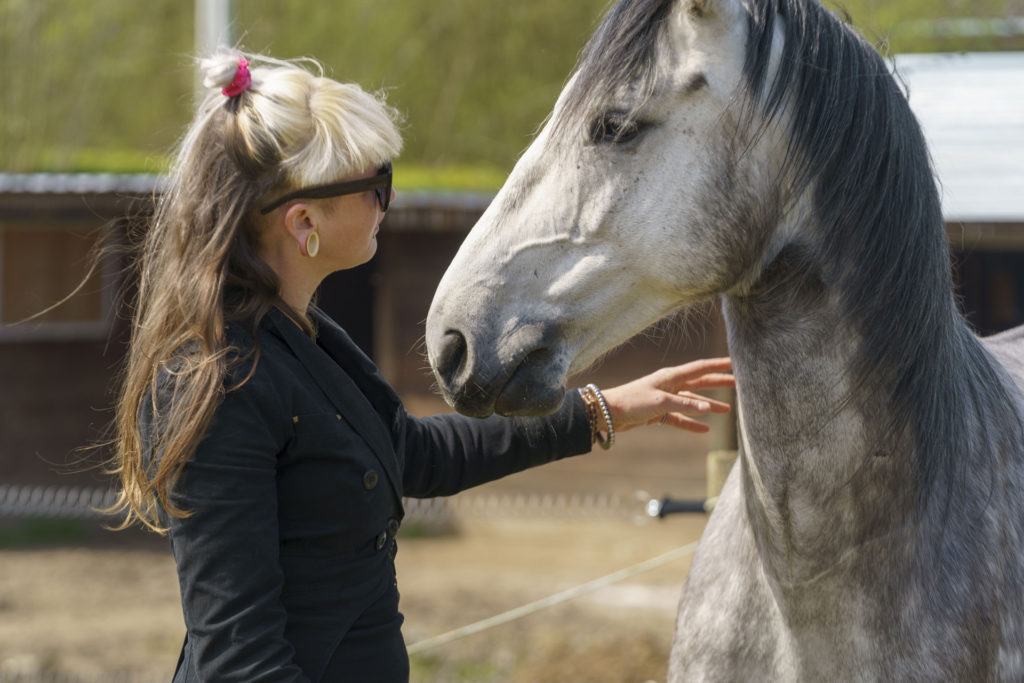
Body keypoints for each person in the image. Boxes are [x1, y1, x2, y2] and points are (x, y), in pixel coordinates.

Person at [109, 50, 735, 682]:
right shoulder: (223, 383)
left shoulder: (303, 333)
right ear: (305, 223)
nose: (387, 200)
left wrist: (601, 411)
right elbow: (241, 664)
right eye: (374, 185)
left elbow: (406, 452)